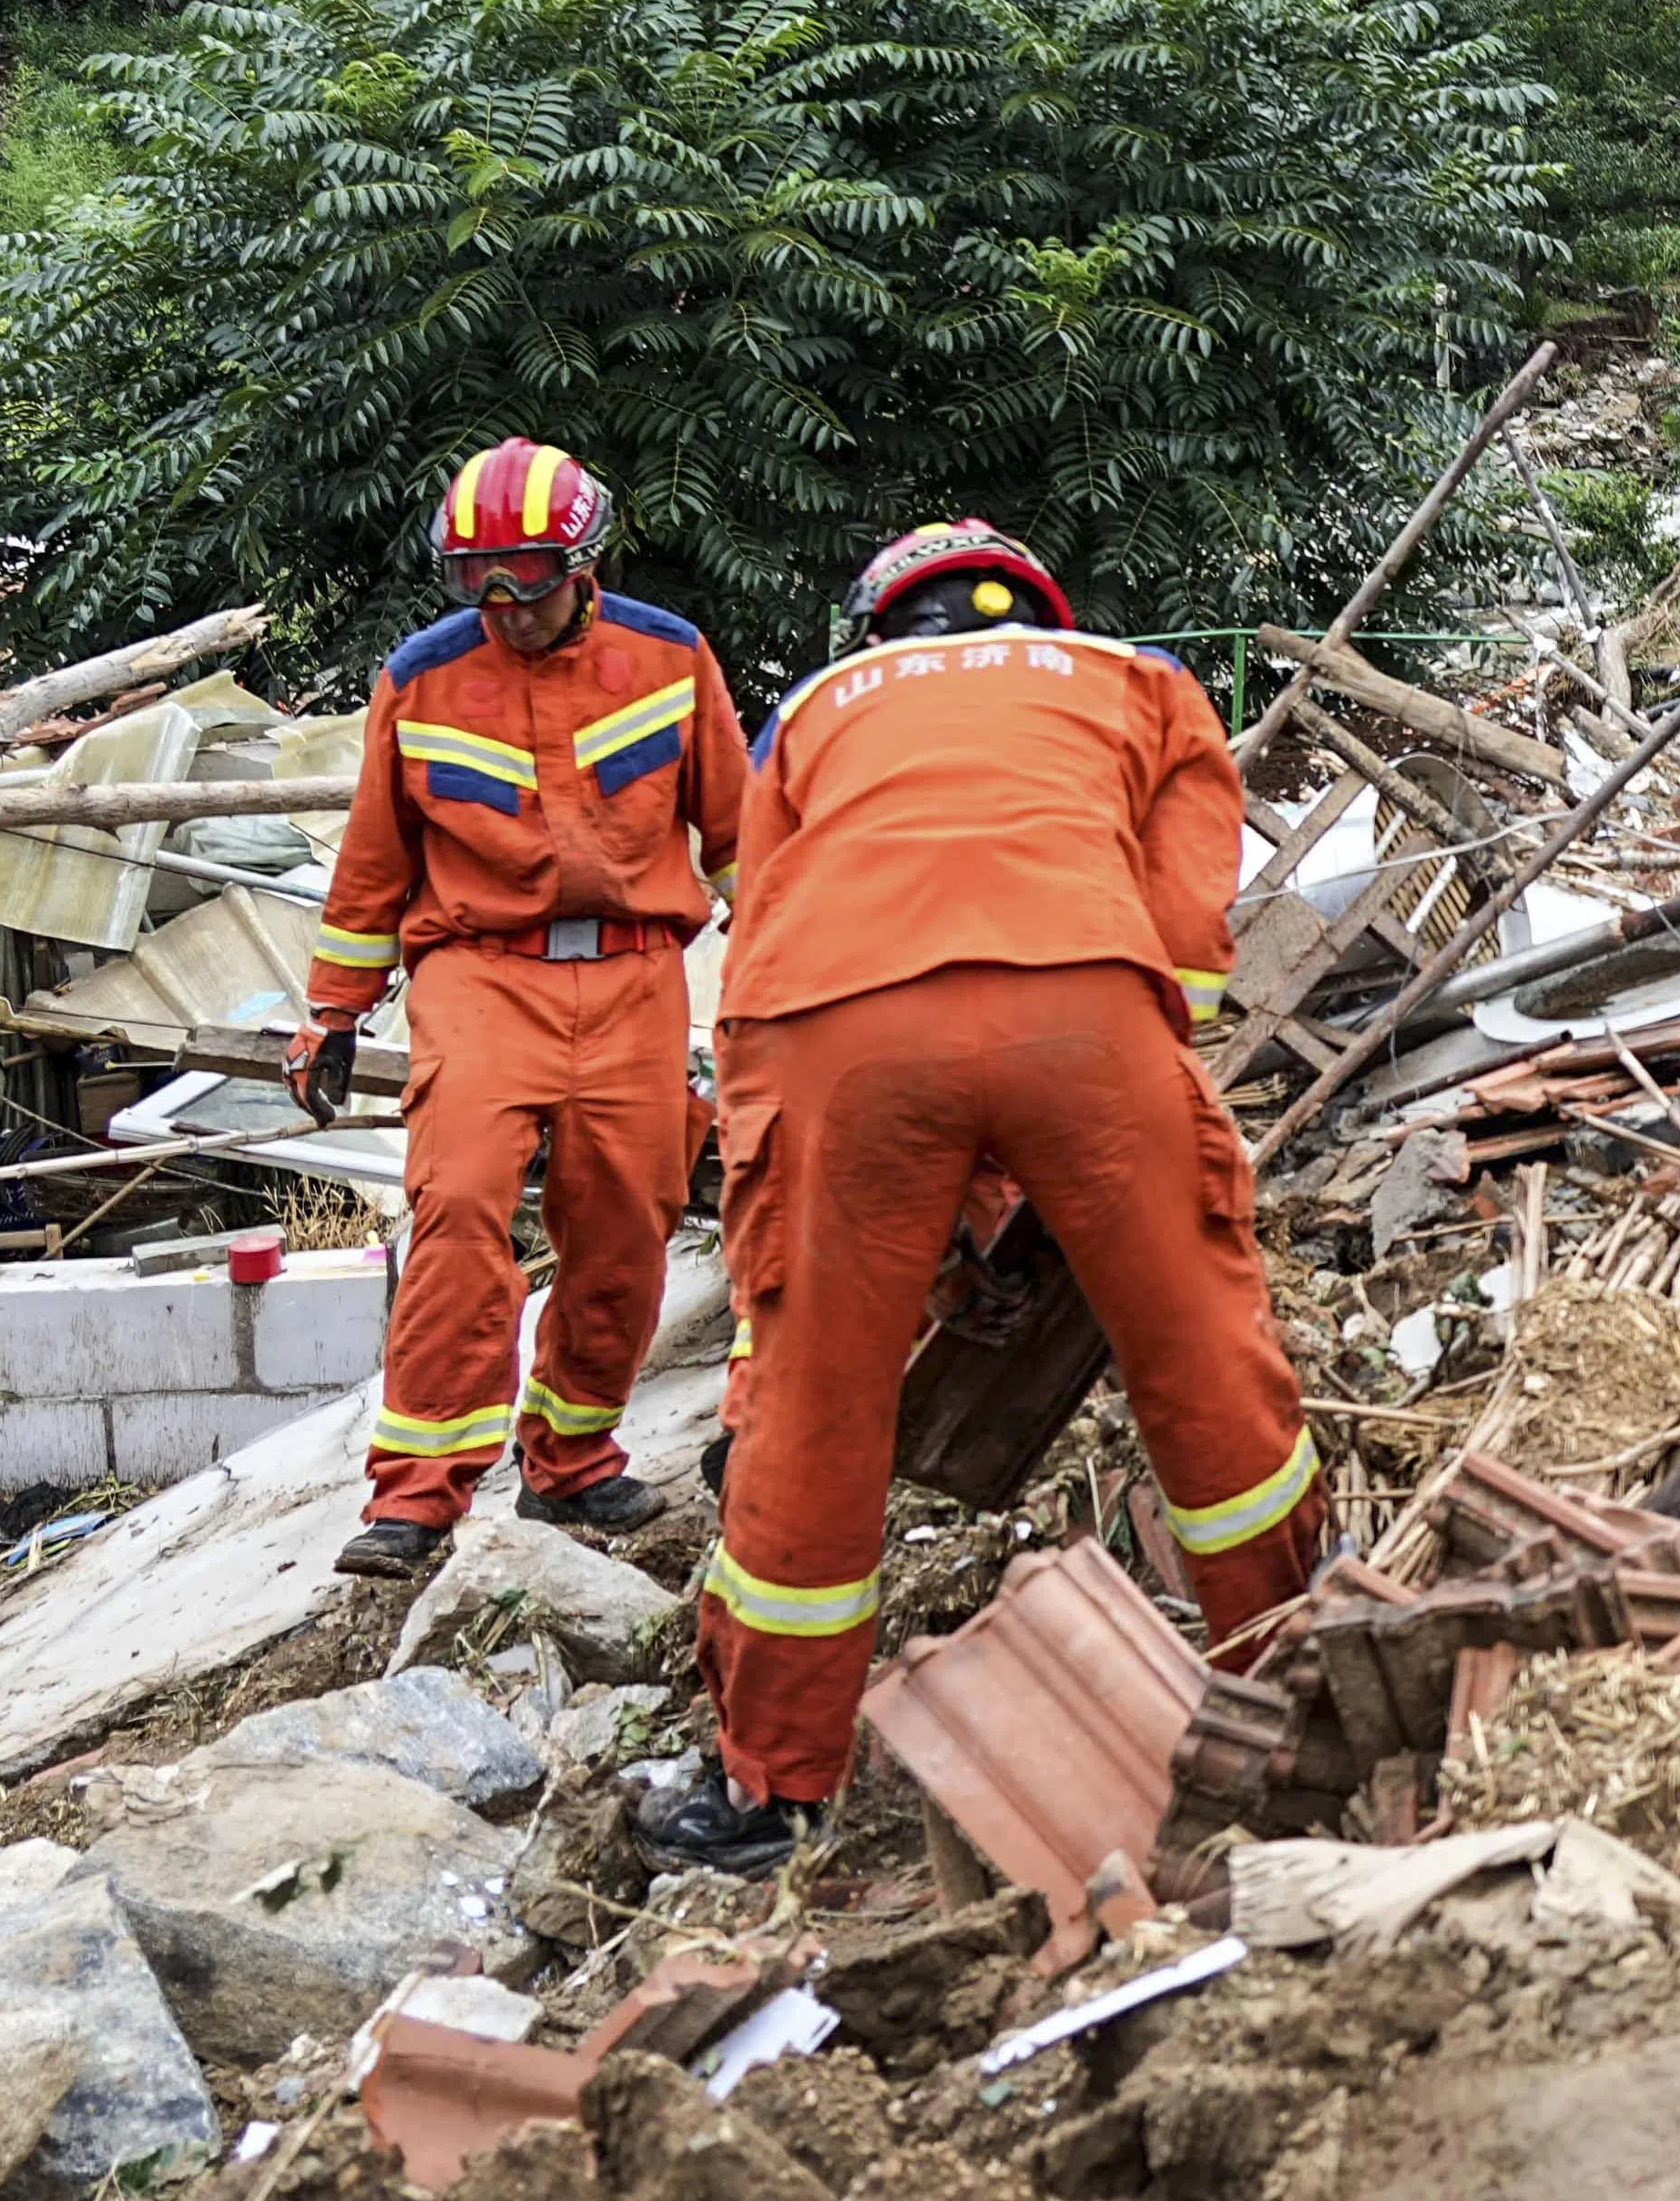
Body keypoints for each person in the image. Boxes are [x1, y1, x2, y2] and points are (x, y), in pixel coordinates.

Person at [647, 521, 1324, 1875]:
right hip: (1081, 997)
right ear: (1034, 612)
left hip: (832, 1029)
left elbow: (766, 921)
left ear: (881, 628)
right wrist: (1113, 1086)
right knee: (1199, 1354)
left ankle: (768, 1785)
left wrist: (925, 1190)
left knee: (815, 1405)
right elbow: (1188, 923)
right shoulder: (1129, 676)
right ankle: (1296, 1688)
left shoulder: (809, 712)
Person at [291, 441, 752, 1583]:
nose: (504, 605)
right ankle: (415, 1496)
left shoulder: (669, 657)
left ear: (582, 560)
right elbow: (371, 863)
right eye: (476, 580)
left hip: (636, 973)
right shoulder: (424, 674)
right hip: (479, 970)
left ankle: (573, 1460)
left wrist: (802, 973)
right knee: (455, 1205)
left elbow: (745, 839)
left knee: (627, 1222)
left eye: (527, 577)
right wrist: (332, 1012)